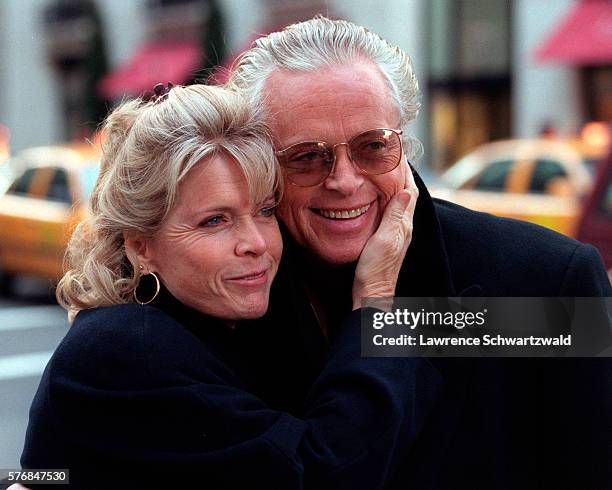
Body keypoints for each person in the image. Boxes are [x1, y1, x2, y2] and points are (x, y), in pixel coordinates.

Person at [228, 16, 612, 489]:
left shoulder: (549, 281)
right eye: (307, 156)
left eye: (373, 147)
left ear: (406, 145)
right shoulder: (223, 299)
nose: (344, 181)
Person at [18, 83, 433, 489]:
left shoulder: (219, 324)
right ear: (142, 247)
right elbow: (324, 472)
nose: (255, 243)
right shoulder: (127, 347)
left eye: (265, 210)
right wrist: (375, 299)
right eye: (214, 221)